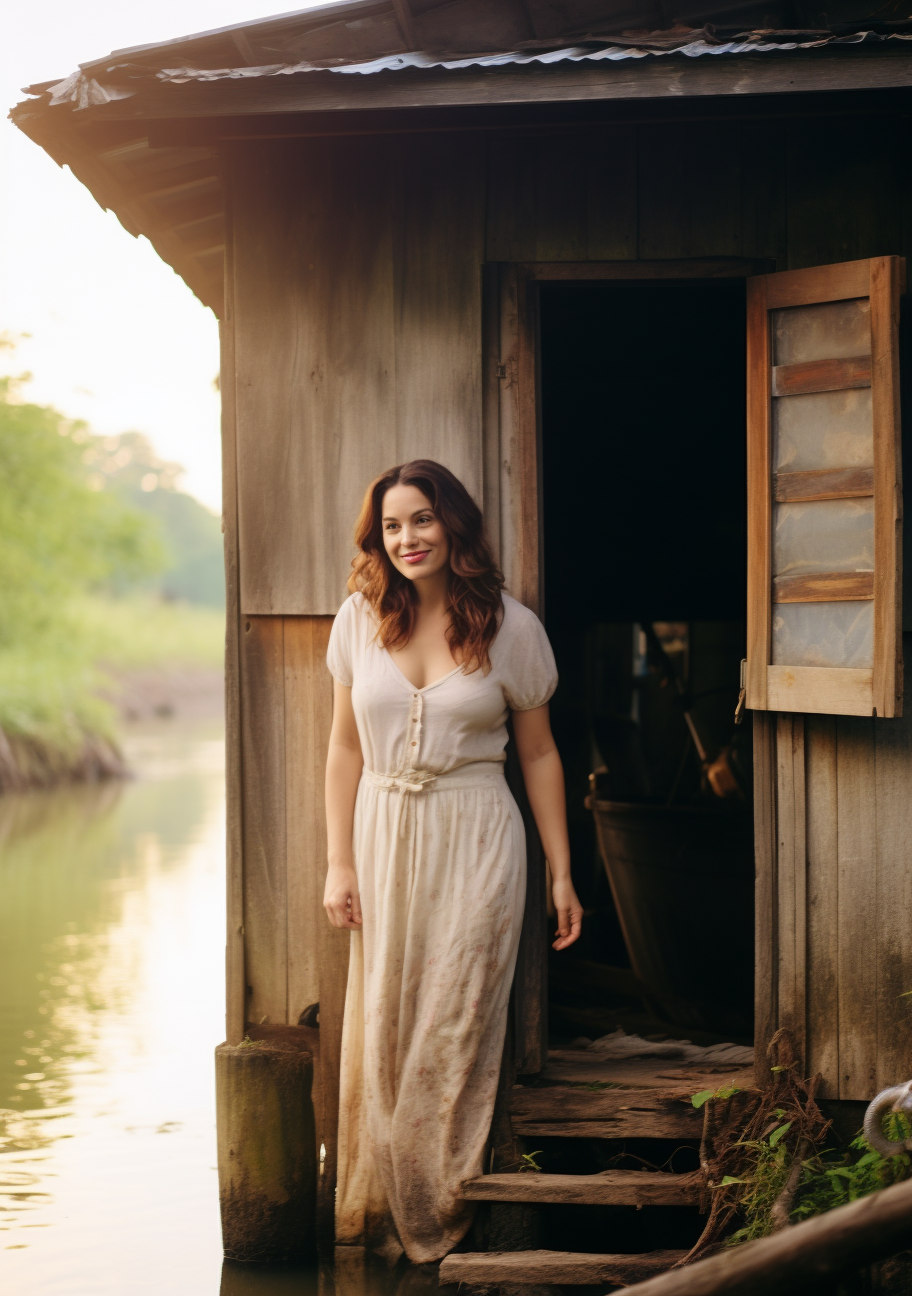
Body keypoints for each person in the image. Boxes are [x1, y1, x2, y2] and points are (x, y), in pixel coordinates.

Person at [323, 459, 582, 1264]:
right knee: (387, 1019)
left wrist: (562, 871)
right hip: (383, 832)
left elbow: (539, 756)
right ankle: (388, 1215)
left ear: (454, 527)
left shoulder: (512, 627)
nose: (408, 538)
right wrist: (338, 863)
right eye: (393, 525)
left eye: (423, 520)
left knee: (456, 1017)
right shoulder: (359, 621)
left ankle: (437, 1213)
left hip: (477, 833)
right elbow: (341, 748)